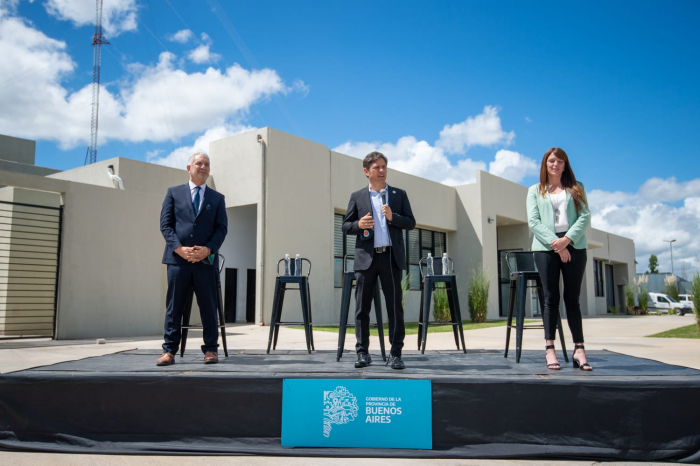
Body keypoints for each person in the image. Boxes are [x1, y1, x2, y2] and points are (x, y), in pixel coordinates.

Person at [343, 151, 416, 370]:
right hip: (366, 260)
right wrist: (359, 226)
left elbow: (411, 222)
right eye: (376, 167)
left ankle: (395, 354)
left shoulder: (399, 195)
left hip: (391, 259)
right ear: (366, 172)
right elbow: (345, 226)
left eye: (384, 166)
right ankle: (363, 353)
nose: (381, 170)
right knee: (361, 309)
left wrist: (394, 217)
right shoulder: (357, 196)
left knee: (395, 308)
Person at [157, 152, 228, 366]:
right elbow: (165, 225)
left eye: (207, 164)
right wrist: (178, 249)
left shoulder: (217, 198)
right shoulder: (173, 193)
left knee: (208, 306)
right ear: (189, 168)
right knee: (174, 307)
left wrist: (208, 249)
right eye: (199, 163)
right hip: (178, 262)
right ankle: (169, 351)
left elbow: (221, 228)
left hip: (206, 263)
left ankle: (210, 350)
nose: (204, 167)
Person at [527, 147, 592, 371]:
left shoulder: (577, 188)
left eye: (560, 161)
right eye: (552, 161)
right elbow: (533, 222)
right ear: (545, 164)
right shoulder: (535, 190)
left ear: (565, 165)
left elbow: (585, 217)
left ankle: (579, 350)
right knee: (550, 299)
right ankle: (550, 350)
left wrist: (567, 240)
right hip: (545, 248)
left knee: (572, 299)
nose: (556, 165)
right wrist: (556, 244)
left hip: (574, 246)